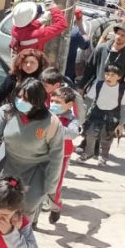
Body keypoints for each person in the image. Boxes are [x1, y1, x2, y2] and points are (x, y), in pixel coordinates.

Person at [0, 79, 65, 226]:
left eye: (27, 99)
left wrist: (50, 188)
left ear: (38, 101)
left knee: (23, 214)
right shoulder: (7, 111)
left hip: (34, 173)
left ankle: (19, 242)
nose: (21, 101)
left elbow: (57, 158)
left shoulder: (52, 123)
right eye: (19, 97)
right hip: (6, 165)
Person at [78, 65, 125, 167]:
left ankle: (104, 156)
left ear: (118, 77)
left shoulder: (122, 90)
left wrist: (121, 124)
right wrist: (82, 114)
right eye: (106, 74)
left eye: (112, 75)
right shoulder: (98, 85)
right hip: (97, 113)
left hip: (112, 116)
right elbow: (88, 101)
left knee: (106, 138)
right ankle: (89, 152)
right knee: (90, 133)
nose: (108, 77)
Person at [48, 86, 83, 225]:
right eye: (52, 101)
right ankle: (34, 218)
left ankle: (55, 207)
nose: (53, 105)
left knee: (55, 184)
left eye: (58, 102)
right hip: (43, 152)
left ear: (69, 105)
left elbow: (72, 133)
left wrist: (53, 128)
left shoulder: (72, 119)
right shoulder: (47, 113)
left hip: (62, 155)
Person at [80, 23, 125, 100]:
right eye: (118, 34)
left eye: (123, 35)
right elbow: (89, 68)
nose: (119, 37)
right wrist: (81, 87)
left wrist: (121, 89)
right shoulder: (101, 48)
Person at [64, 9, 92, 82]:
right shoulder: (74, 33)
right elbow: (86, 45)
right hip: (67, 74)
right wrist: (80, 26)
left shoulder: (49, 28)